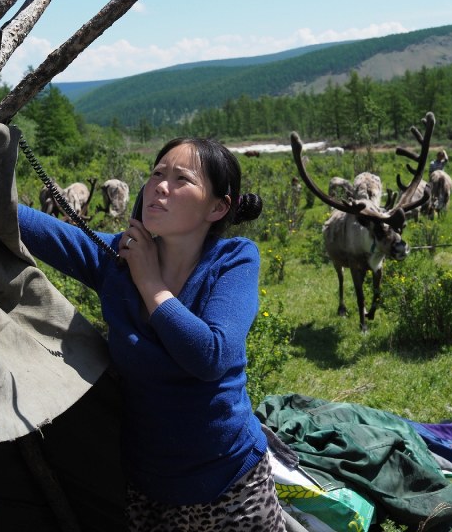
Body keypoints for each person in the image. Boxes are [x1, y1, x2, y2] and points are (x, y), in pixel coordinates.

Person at [17, 138, 286, 531]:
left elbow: (211, 356)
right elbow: (22, 222)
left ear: (217, 206)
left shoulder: (232, 260)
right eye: (157, 174)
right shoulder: (115, 258)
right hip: (149, 489)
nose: (161, 186)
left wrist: (150, 283)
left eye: (182, 179)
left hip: (231, 483)